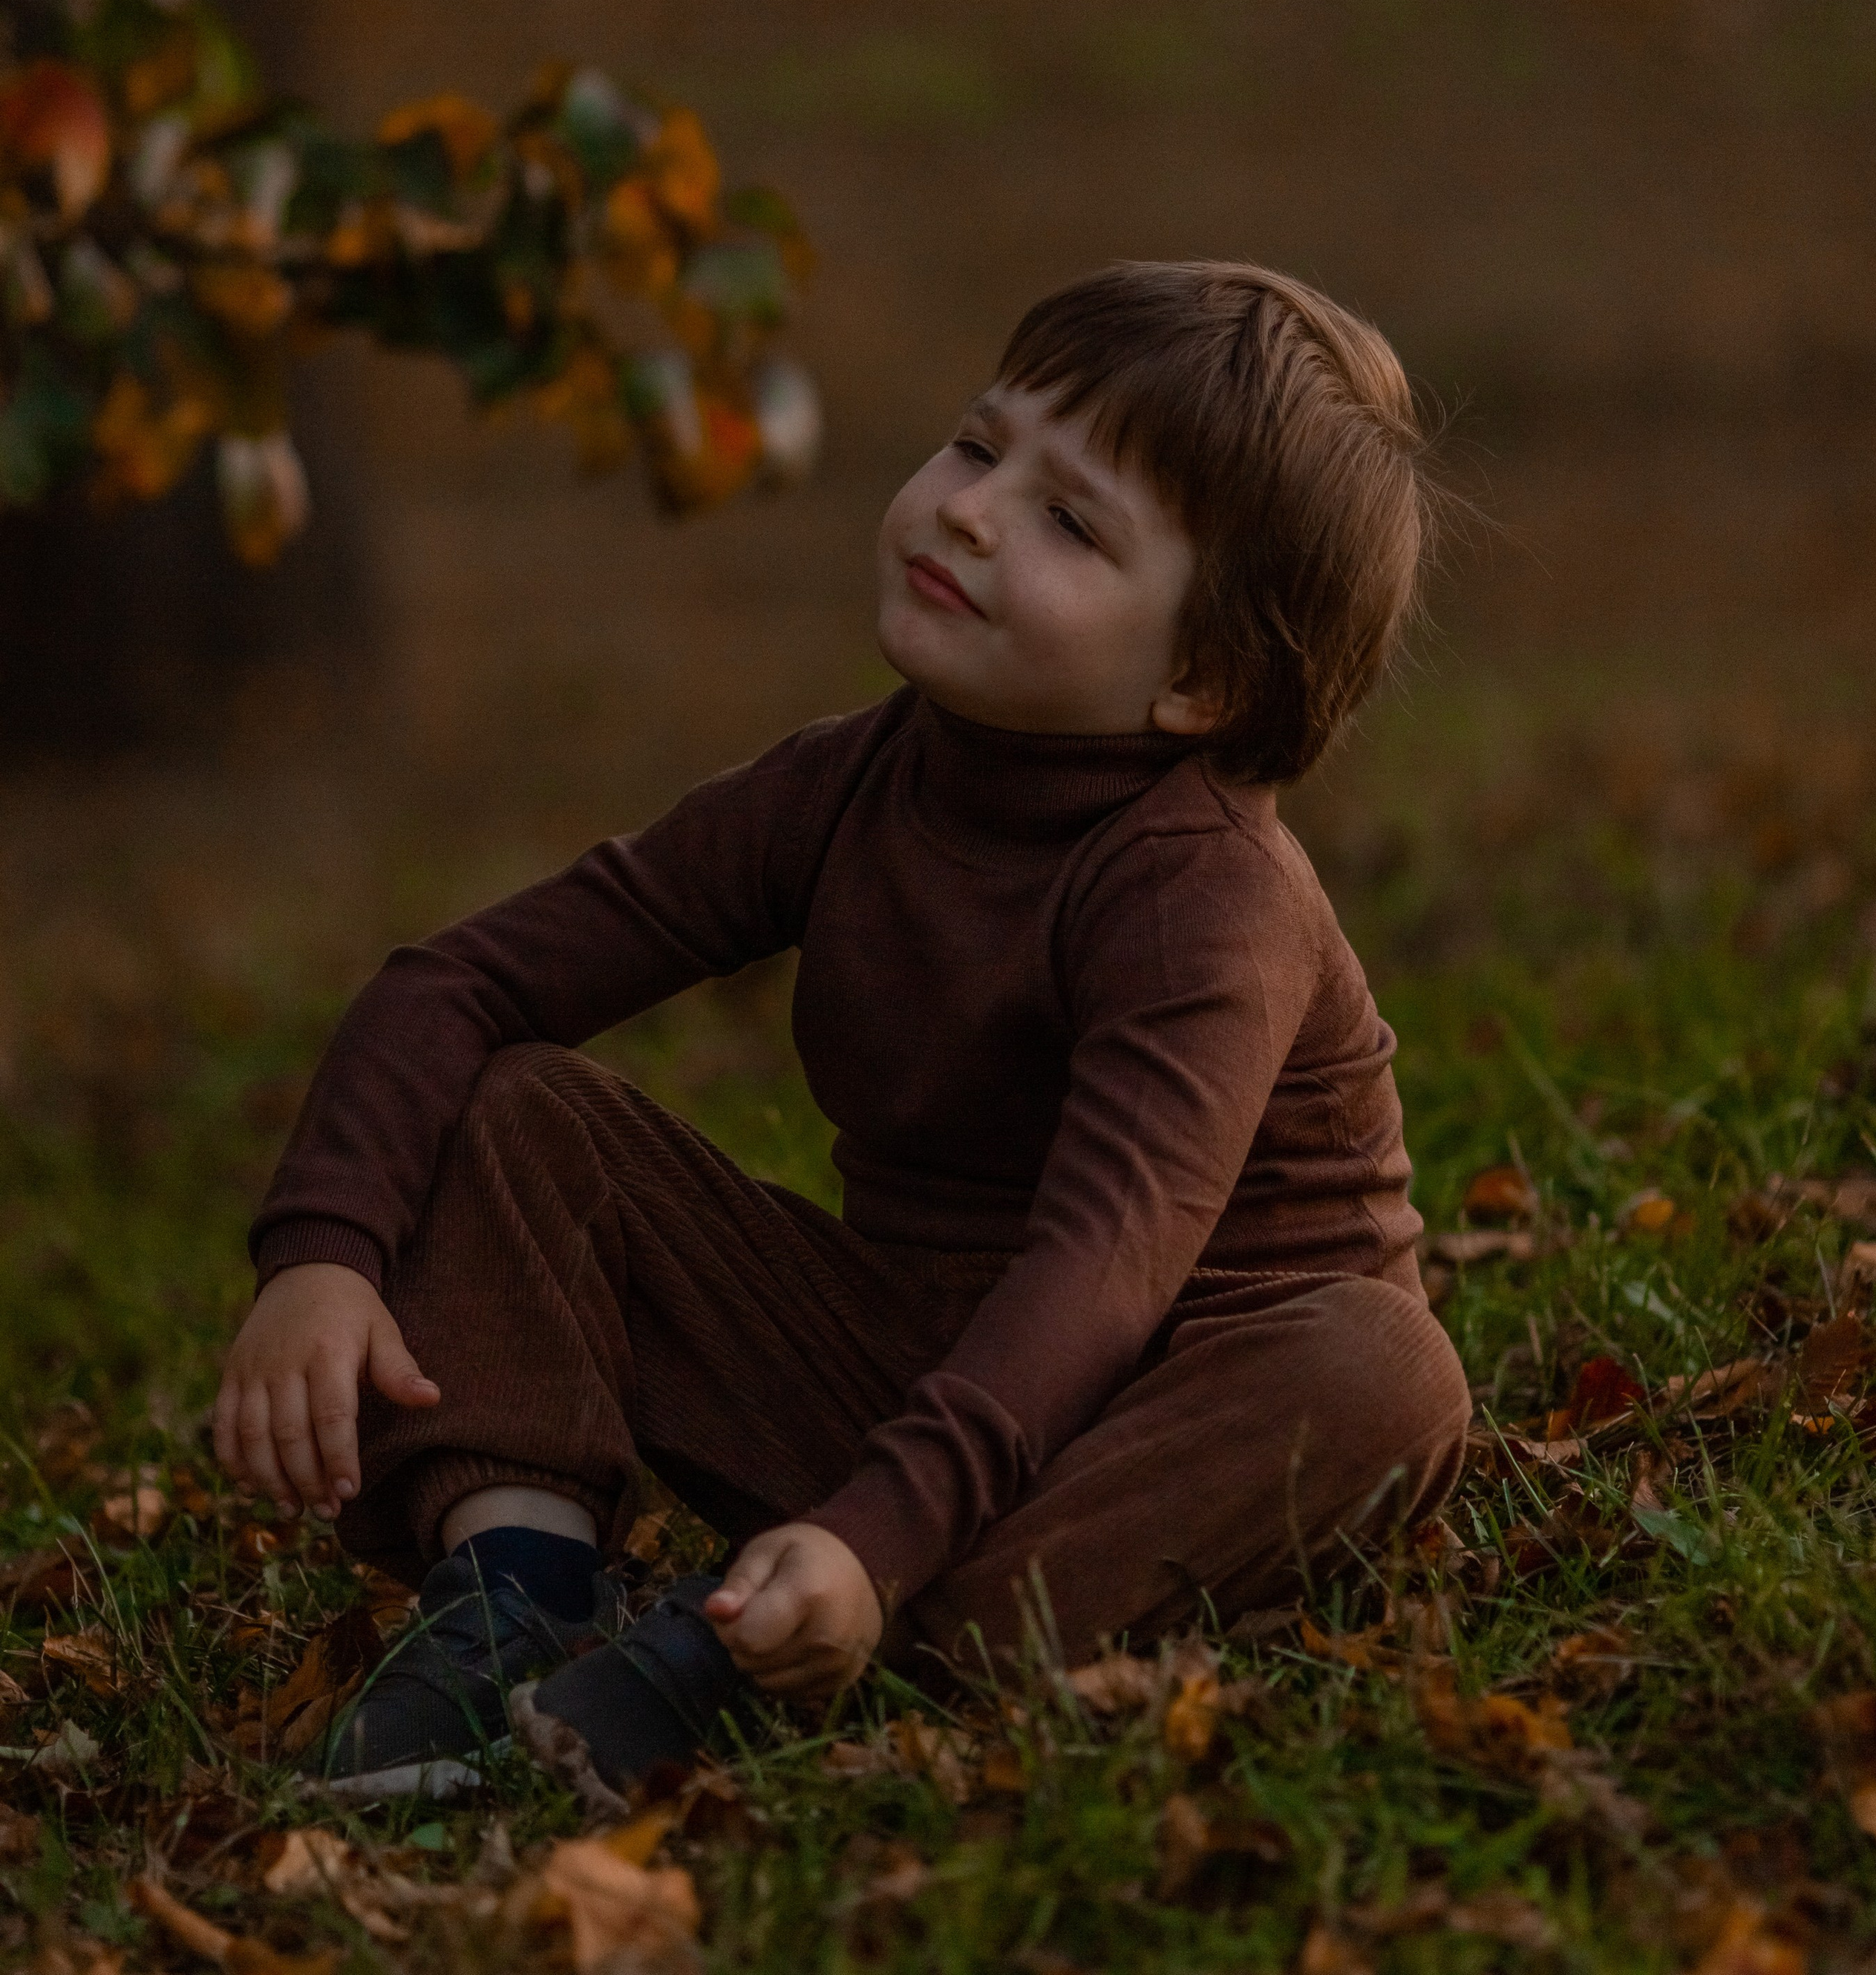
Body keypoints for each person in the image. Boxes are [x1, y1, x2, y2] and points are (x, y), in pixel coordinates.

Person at [216, 259, 1470, 1809]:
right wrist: (322, 1252)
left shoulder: (1202, 900)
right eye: (973, 445)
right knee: (528, 1106)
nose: (967, 508)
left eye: (1070, 521)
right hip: (906, 1363)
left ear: (1203, 679)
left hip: (1167, 1411)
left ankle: (796, 1646)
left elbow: (1098, 1276)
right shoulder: (849, 784)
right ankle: (515, 1595)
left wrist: (878, 1534)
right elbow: (460, 986)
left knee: (1380, 1366)